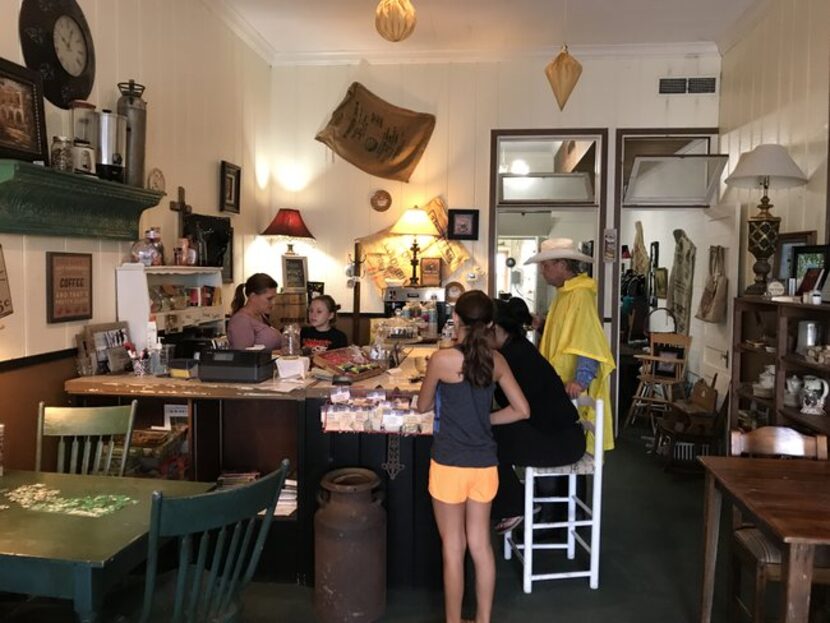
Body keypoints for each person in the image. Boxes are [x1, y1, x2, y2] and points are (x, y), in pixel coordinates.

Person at [417, 290, 529, 623]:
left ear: (456, 319)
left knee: (453, 547)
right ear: (490, 323)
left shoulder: (442, 360)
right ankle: (483, 620)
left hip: (448, 463)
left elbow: (423, 406)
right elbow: (522, 410)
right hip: (484, 466)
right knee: (481, 546)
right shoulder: (497, 361)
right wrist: (486, 420)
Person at [489, 297, 586, 533]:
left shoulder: (510, 357)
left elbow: (519, 412)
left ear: (496, 329)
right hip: (556, 432)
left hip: (559, 440)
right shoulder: (517, 347)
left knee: (484, 439)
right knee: (487, 431)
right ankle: (517, 502)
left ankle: (516, 504)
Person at [525, 238, 615, 451]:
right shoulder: (565, 293)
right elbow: (566, 333)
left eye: (545, 266)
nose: (542, 271)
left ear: (562, 265)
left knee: (568, 438)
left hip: (570, 386)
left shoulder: (580, 294)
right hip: (559, 381)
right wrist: (542, 324)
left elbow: (587, 339)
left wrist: (581, 380)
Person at [227, 273, 282, 350]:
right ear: (253, 297)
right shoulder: (241, 321)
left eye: (274, 298)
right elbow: (245, 356)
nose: (273, 302)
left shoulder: (261, 316)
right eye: (269, 299)